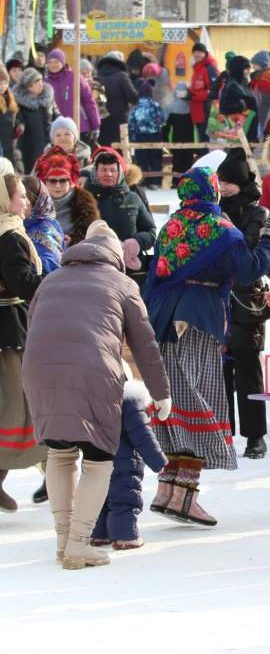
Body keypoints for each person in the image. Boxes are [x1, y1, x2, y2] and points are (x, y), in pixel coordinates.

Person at [22, 218, 170, 569]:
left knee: (59, 453)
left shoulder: (51, 279)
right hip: (94, 372)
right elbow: (145, 344)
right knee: (98, 458)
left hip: (40, 370)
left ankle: (63, 541)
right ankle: (79, 544)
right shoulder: (122, 283)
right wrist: (160, 392)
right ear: (115, 254)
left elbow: (34, 325)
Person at [144, 167, 270, 526]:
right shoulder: (219, 229)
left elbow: (154, 275)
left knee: (174, 400)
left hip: (164, 319)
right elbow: (250, 269)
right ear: (213, 192)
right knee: (199, 399)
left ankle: (167, 490)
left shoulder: (171, 226)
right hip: (198, 318)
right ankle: (184, 497)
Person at [217, 149, 270, 458]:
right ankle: (223, 434)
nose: (224, 188)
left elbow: (250, 251)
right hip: (217, 299)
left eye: (229, 182)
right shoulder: (211, 209)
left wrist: (226, 227)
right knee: (220, 372)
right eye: (221, 182)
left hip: (246, 300)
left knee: (248, 370)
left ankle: (255, 436)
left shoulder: (257, 213)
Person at [0, 172, 46, 512]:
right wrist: (52, 282)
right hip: (8, 330)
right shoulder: (10, 236)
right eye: (20, 196)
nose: (26, 201)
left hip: (10, 326)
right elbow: (22, 283)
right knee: (15, 406)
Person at [89, 368, 167, 550]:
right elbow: (141, 433)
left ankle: (99, 534)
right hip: (124, 461)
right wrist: (158, 460)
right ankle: (126, 536)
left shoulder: (92, 398)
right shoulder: (129, 399)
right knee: (124, 498)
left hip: (98, 457)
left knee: (99, 498)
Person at [84, 148, 155, 281]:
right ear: (95, 172)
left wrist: (137, 242)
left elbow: (150, 231)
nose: (108, 174)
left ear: (120, 173)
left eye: (113, 170)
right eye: (104, 170)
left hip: (131, 270)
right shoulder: (84, 199)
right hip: (94, 270)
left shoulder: (133, 198)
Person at [34, 145, 98, 247]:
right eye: (53, 181)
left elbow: (94, 240)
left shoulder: (85, 207)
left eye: (63, 180)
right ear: (45, 182)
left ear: (71, 182)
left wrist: (74, 242)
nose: (58, 185)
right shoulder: (33, 205)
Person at [43, 49, 100, 144]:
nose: (53, 65)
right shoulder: (46, 83)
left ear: (62, 62)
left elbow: (88, 101)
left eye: (56, 62)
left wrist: (95, 124)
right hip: (58, 130)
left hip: (80, 126)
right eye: (50, 62)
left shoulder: (75, 77)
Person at [13, 68, 56, 174]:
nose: (41, 84)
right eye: (37, 81)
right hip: (27, 149)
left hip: (47, 146)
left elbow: (56, 117)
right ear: (28, 86)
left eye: (41, 80)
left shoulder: (47, 101)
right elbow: (17, 124)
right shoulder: (19, 105)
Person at [21, 175, 63, 274]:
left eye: (23, 197)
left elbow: (51, 265)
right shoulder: (50, 221)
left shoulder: (42, 229)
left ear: (35, 201)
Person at [95, 52, 139, 147]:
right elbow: (133, 97)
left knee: (104, 147)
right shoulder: (121, 76)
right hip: (119, 120)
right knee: (119, 148)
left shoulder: (97, 76)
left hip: (101, 118)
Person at [127, 81, 165, 188]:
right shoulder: (155, 105)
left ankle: (143, 181)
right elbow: (162, 119)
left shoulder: (136, 107)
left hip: (140, 136)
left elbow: (131, 122)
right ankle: (156, 182)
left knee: (141, 159)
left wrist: (132, 134)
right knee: (155, 159)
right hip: (155, 135)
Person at [217, 55, 258, 143]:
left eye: (249, 68)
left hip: (246, 129)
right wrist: (245, 103)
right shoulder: (232, 86)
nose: (248, 71)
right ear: (238, 69)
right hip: (238, 131)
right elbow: (224, 107)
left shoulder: (242, 84)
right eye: (246, 69)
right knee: (237, 150)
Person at [164, 82, 198, 179]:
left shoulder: (170, 108)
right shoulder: (193, 108)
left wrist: (166, 140)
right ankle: (187, 182)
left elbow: (165, 127)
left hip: (175, 140)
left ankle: (175, 182)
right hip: (190, 141)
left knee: (176, 163)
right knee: (188, 164)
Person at [189, 43, 219, 143]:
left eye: (199, 52)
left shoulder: (209, 68)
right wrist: (188, 92)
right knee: (201, 140)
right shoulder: (197, 68)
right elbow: (198, 87)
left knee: (205, 141)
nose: (196, 54)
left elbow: (214, 91)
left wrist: (193, 96)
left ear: (205, 53)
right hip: (198, 110)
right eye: (194, 52)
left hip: (206, 110)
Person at [249, 50, 270, 138]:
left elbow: (265, 106)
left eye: (255, 64)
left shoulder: (265, 82)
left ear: (262, 65)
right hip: (268, 122)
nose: (253, 67)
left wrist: (261, 125)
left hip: (264, 122)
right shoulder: (267, 79)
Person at [0, 66, 17, 160]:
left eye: (5, 83)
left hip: (10, 142)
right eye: (0, 83)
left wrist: (19, 124)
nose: (2, 86)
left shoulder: (10, 98)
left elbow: (17, 115)